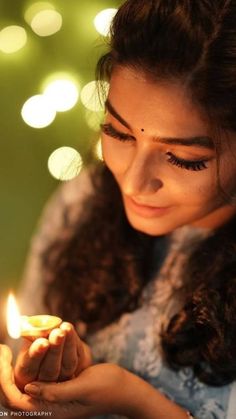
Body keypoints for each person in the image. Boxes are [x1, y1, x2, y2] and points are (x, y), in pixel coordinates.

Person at [0, 0, 236, 417]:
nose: (132, 181)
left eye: (184, 158)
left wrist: (135, 401)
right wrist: (39, 389)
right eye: (118, 133)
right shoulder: (84, 201)